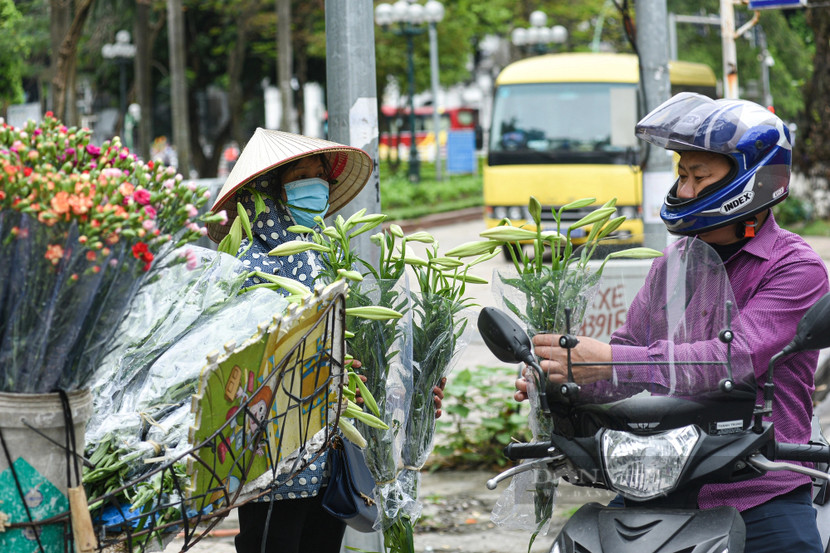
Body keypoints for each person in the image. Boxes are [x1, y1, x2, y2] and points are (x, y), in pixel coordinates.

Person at [514, 93, 830, 552]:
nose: (683, 189)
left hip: (760, 490)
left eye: (699, 176)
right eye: (682, 174)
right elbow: (628, 351)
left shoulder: (795, 269)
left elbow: (734, 358)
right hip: (659, 481)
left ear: (754, 180)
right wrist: (565, 376)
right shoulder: (675, 263)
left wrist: (611, 362)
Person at [207, 128, 446, 553]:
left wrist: (408, 391)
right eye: (301, 175)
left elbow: (351, 344)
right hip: (272, 463)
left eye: (321, 176)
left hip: (327, 460)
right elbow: (239, 361)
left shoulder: (323, 255)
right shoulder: (246, 267)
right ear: (271, 190)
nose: (315, 185)